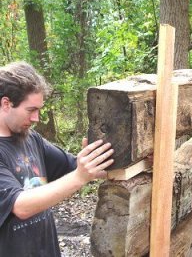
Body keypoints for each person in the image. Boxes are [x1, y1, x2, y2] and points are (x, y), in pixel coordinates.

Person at [0, 61, 114, 257]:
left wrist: (136, 162)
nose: (37, 118)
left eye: (39, 110)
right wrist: (80, 176)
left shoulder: (31, 139)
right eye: (31, 110)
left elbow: (77, 166)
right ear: (6, 104)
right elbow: (20, 206)